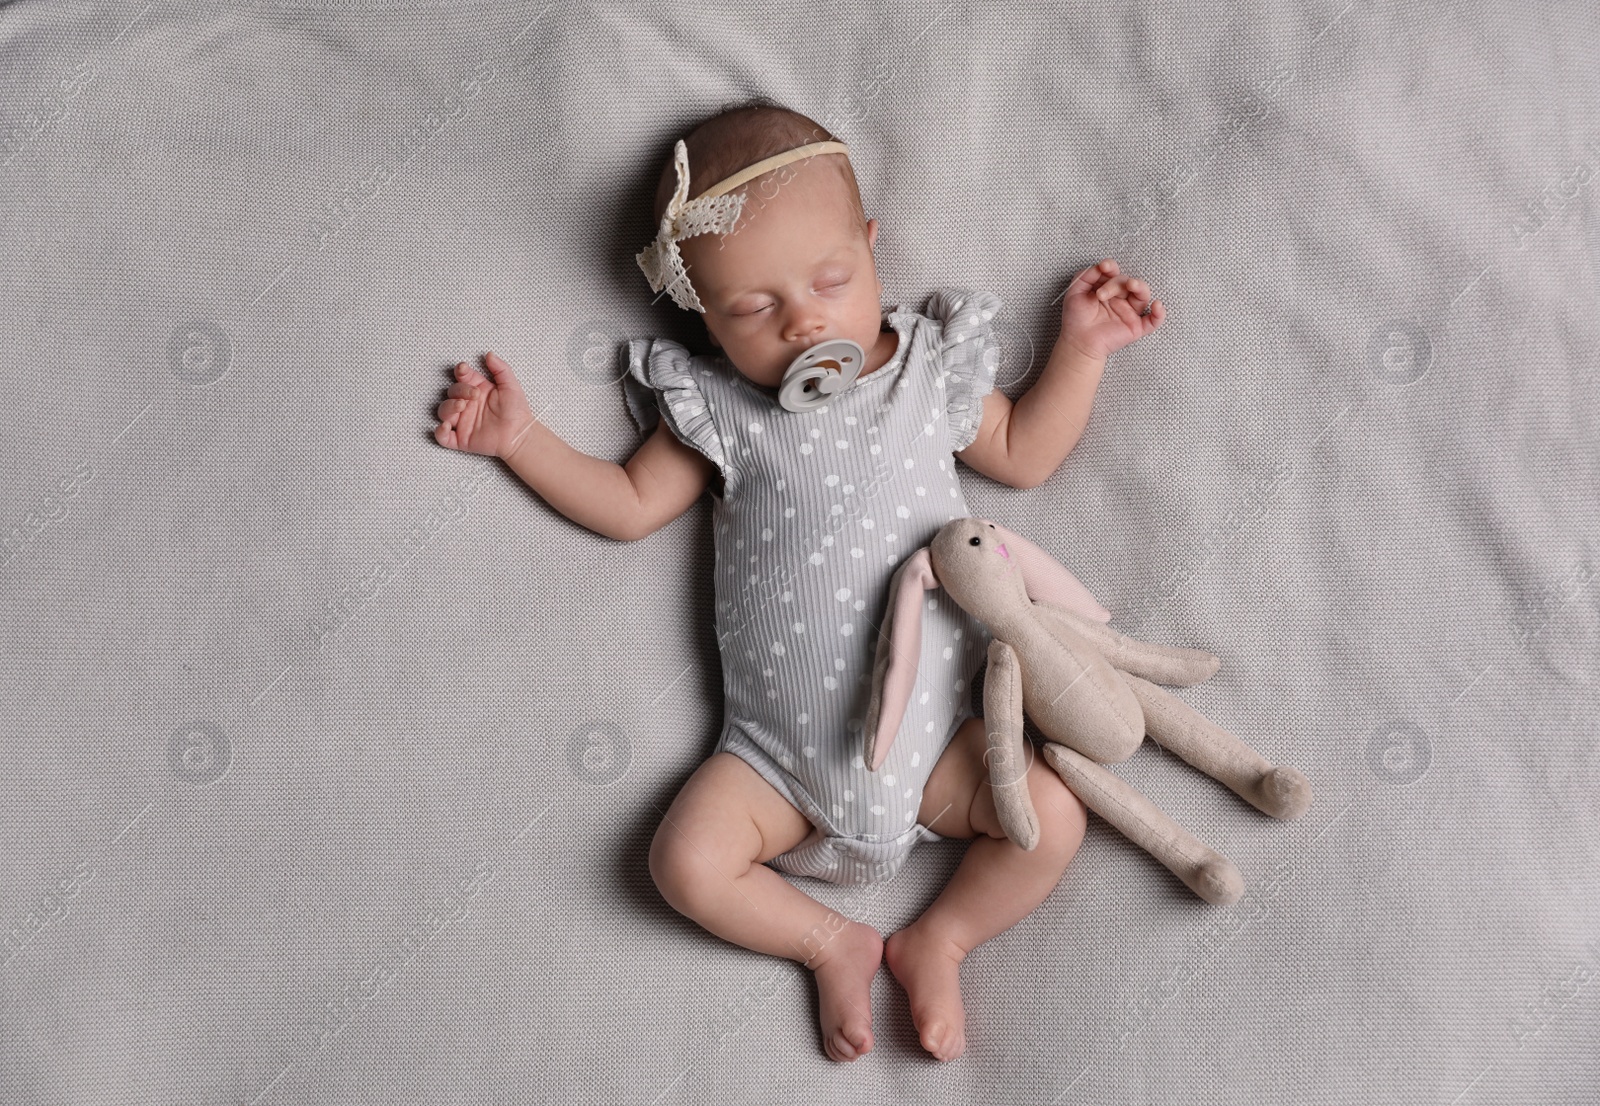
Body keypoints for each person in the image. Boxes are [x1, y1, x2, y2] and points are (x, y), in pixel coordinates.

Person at [430, 99, 1165, 1063]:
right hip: (775, 761)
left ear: (872, 246)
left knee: (1053, 814)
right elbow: (625, 504)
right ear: (700, 311)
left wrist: (1080, 350)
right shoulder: (721, 409)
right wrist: (519, 441)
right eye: (753, 308)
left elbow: (1023, 452)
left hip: (939, 742)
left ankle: (939, 938)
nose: (806, 321)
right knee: (684, 861)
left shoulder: (921, 373)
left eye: (832, 279)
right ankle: (830, 943)